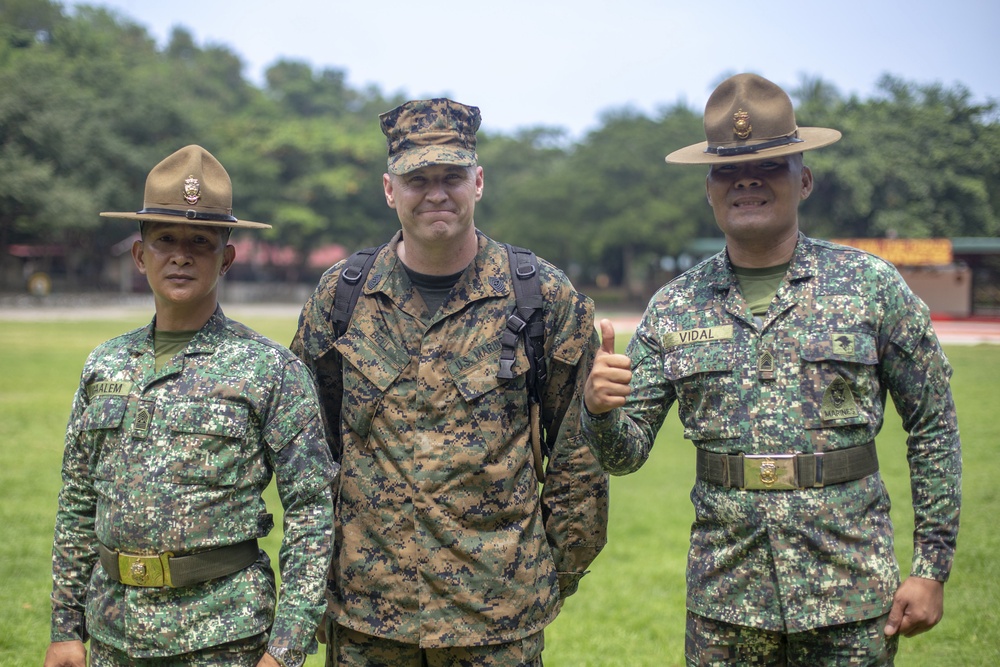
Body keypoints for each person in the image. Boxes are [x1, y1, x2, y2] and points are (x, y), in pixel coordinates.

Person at [583, 73, 962, 665]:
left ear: (803, 179)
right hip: (726, 598)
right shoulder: (674, 306)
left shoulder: (870, 287)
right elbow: (623, 456)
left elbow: (934, 427)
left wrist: (931, 568)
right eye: (728, 170)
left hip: (851, 589)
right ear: (709, 189)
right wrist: (600, 410)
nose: (747, 181)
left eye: (770, 165)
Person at [292, 98, 609, 666]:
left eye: (452, 176)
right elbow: (310, 450)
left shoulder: (539, 295)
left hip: (496, 619)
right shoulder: (342, 296)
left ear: (478, 181)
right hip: (368, 617)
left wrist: (545, 574)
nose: (436, 192)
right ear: (390, 189)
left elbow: (577, 454)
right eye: (418, 178)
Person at [45, 145, 338, 667]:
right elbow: (77, 501)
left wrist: (287, 648)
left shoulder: (269, 369)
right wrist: (67, 628)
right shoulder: (105, 365)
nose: (181, 255)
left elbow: (313, 510)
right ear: (140, 256)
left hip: (222, 635)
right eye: (164, 240)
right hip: (113, 632)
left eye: (200, 242)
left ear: (226, 258)